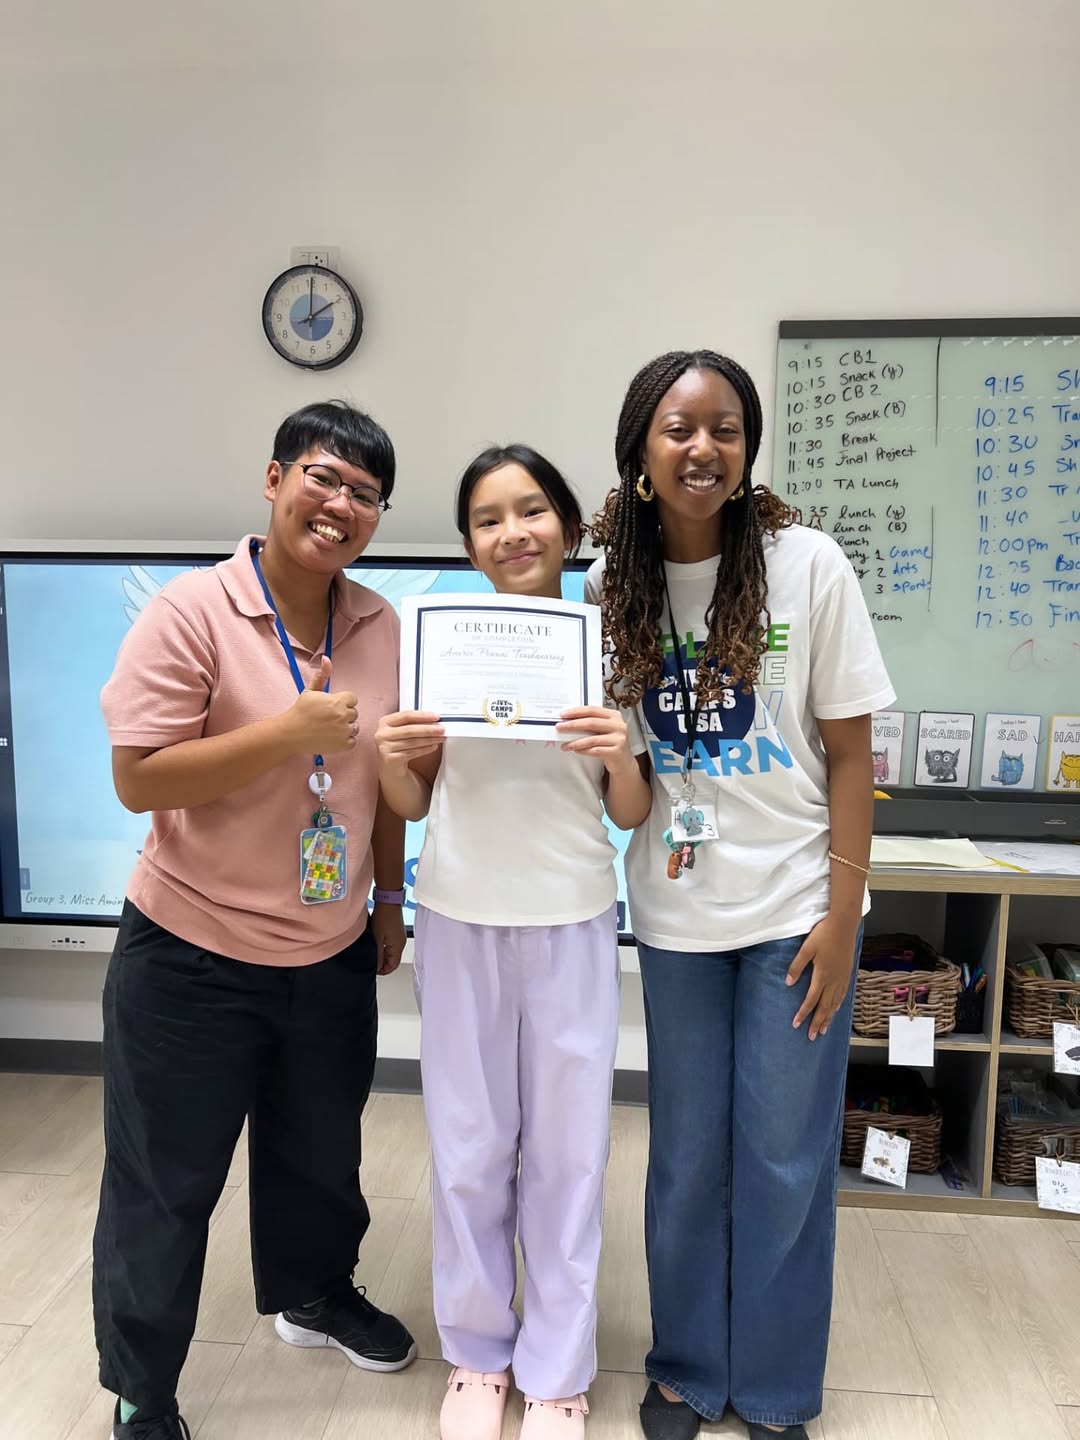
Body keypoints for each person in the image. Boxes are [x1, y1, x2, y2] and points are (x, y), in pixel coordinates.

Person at [93, 400, 417, 1440]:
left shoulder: (379, 626)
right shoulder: (190, 611)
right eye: (323, 477)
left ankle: (314, 1294)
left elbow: (377, 783)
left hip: (328, 951)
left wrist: (390, 898)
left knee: (320, 1157)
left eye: (366, 493)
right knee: (164, 1184)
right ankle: (143, 1389)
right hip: (190, 954)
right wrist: (286, 732)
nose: (341, 505)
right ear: (274, 480)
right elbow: (140, 779)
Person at [587, 351, 895, 1440]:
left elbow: (852, 756)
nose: (703, 448)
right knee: (684, 1158)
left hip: (795, 912)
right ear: (640, 452)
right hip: (676, 917)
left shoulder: (807, 565)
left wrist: (844, 917)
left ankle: (771, 1386)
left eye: (725, 428)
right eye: (678, 429)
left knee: (783, 1158)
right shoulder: (608, 588)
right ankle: (684, 1367)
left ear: (748, 448)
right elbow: (626, 781)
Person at [375, 445, 652, 1440]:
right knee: (468, 1147)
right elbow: (411, 801)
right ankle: (478, 1354)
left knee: (571, 1155)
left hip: (572, 918)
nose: (512, 533)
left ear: (569, 527)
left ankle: (559, 1371)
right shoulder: (434, 647)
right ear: (467, 545)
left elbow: (631, 809)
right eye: (488, 519)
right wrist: (393, 757)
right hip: (459, 916)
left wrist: (620, 754)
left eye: (531, 511)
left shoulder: (610, 646)